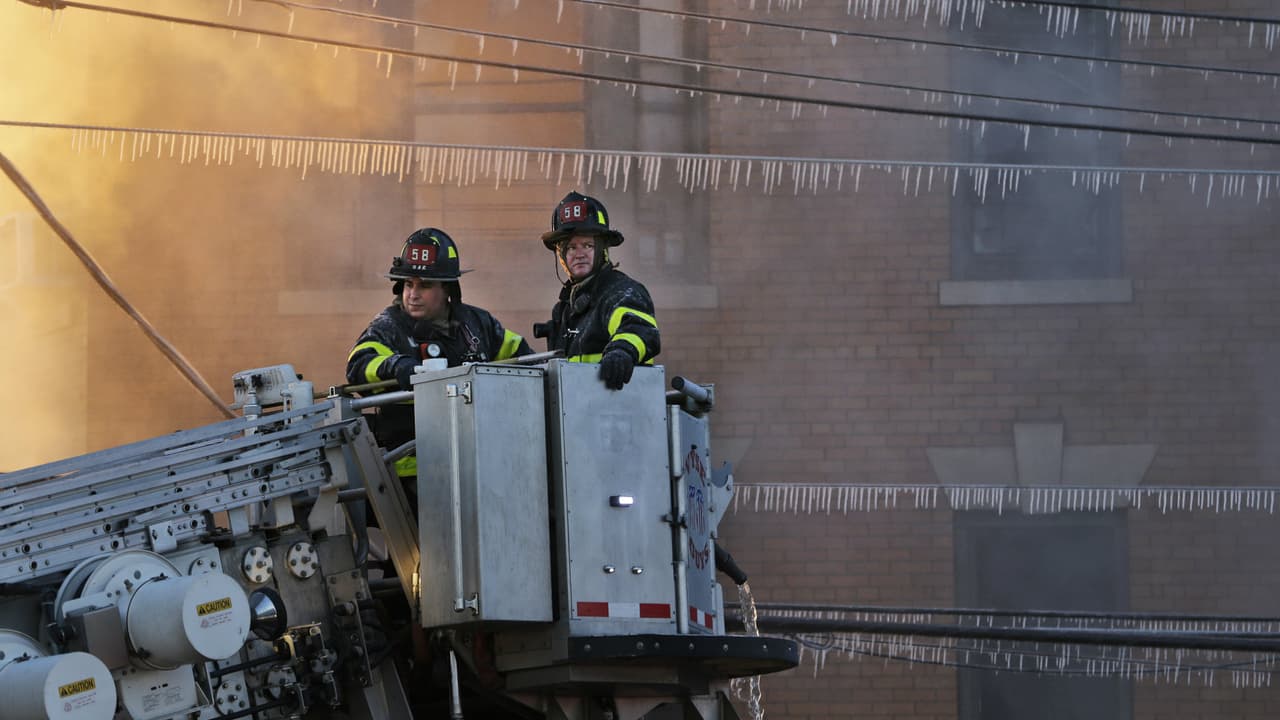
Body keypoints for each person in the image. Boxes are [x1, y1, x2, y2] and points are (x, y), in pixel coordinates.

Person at [347, 227, 532, 479]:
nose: (413, 294)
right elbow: (359, 364)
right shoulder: (389, 327)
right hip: (412, 474)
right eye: (408, 284)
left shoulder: (477, 323)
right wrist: (397, 366)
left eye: (424, 285)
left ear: (447, 289)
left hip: (480, 463)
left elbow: (525, 363)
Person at [539, 191, 660, 389]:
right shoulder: (565, 309)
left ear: (602, 249)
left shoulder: (621, 293)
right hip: (578, 411)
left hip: (620, 410)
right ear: (561, 256)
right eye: (570, 248)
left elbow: (640, 329)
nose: (579, 254)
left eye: (587, 245)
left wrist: (622, 351)